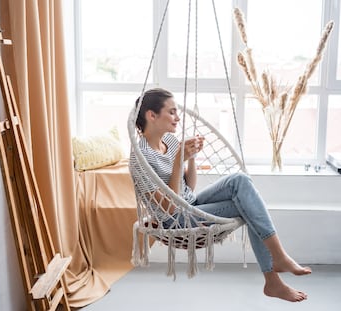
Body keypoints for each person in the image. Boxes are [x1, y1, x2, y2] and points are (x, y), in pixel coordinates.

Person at [129, 88, 311, 302]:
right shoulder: (139, 159)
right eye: (172, 112)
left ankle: (276, 268)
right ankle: (275, 269)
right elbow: (169, 208)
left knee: (239, 181)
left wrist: (191, 158)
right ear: (152, 115)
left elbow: (188, 187)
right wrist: (179, 159)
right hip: (176, 219)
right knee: (248, 207)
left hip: (191, 205)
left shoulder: (169, 142)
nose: (177, 118)